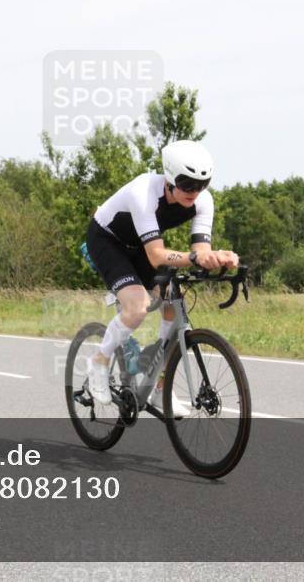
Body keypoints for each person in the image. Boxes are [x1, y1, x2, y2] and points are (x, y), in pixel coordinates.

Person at [83, 140, 239, 414]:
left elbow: (199, 250)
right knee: (138, 306)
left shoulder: (203, 201)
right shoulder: (144, 191)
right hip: (108, 241)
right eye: (187, 183)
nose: (195, 191)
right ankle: (99, 360)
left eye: (202, 184)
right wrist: (195, 258)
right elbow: (157, 256)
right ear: (169, 178)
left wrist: (216, 258)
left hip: (142, 246)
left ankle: (159, 388)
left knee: (172, 303)